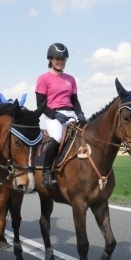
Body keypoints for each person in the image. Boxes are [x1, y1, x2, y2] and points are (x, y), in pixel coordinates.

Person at [34, 42, 86, 189]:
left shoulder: (71, 79)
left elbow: (75, 101)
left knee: (86, 134)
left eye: (63, 59)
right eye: (57, 59)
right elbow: (41, 105)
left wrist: (80, 113)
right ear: (50, 59)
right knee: (57, 137)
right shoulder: (43, 78)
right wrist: (56, 115)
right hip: (53, 115)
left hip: (70, 113)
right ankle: (46, 172)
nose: (60, 62)